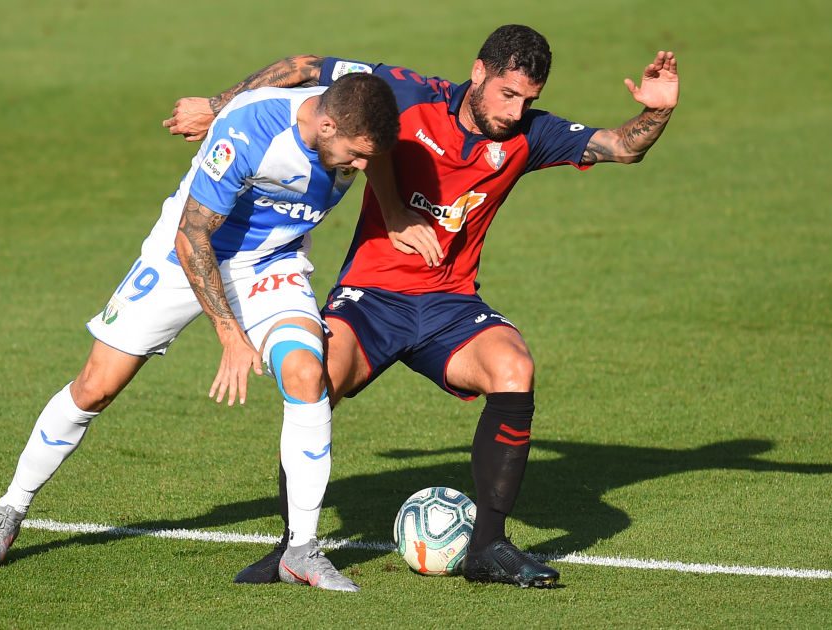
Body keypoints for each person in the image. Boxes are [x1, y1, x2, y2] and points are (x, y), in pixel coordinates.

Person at [163, 24, 679, 588]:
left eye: (528, 99)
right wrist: (218, 106)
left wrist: (657, 112)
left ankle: (489, 549)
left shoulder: (530, 135)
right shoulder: (409, 94)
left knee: (514, 368)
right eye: (508, 94)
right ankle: (292, 548)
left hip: (450, 306)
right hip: (371, 299)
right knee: (313, 376)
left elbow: (622, 147)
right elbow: (308, 66)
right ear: (478, 72)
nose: (515, 110)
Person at [0, 73, 400, 592]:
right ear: (326, 124)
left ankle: (301, 549)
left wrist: (214, 101)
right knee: (95, 387)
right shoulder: (250, 135)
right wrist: (230, 332)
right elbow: (194, 235)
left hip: (270, 263)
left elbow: (302, 62)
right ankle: (10, 508)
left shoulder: (352, 96)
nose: (360, 167)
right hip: (185, 256)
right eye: (354, 154)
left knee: (306, 375)